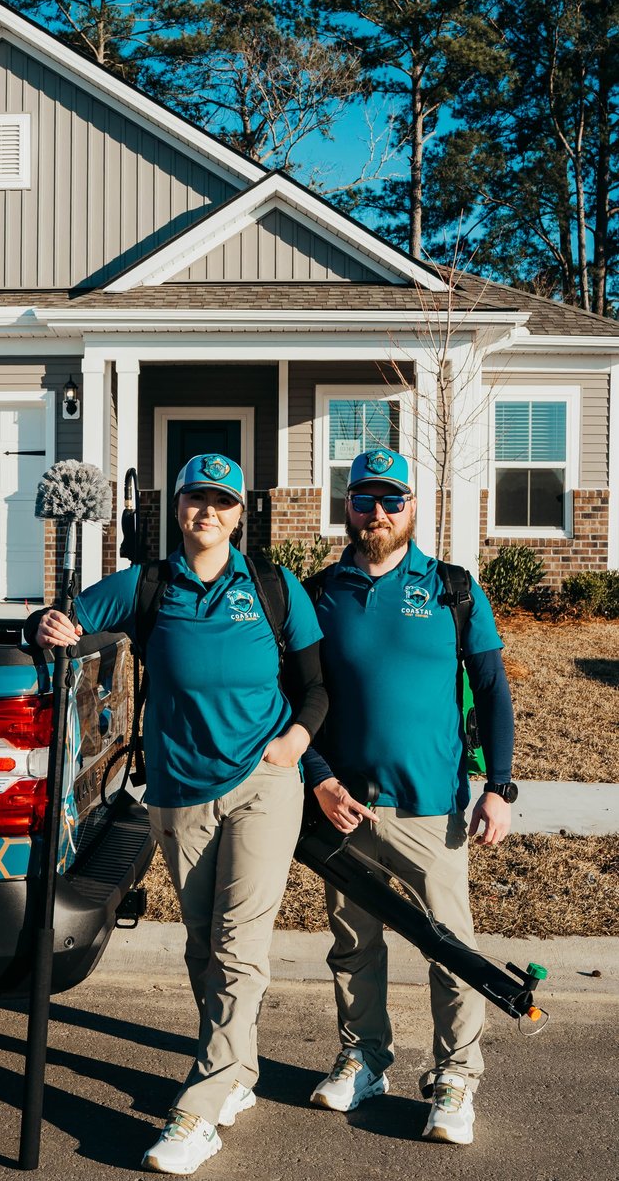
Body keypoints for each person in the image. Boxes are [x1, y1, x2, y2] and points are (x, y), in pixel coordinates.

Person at [32, 453, 327, 1175]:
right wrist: (44, 625)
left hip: (262, 783)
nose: (208, 512)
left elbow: (316, 687)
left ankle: (197, 1111)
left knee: (238, 945)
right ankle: (239, 1070)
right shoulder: (148, 584)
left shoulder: (272, 586)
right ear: (180, 509)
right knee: (202, 943)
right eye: (197, 498)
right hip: (178, 791)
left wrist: (294, 742)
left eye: (221, 502)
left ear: (238, 515)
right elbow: (60, 624)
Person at [303, 447, 516, 1146]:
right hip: (344, 805)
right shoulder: (317, 593)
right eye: (364, 498)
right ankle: (364, 1059)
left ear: (413, 508)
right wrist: (318, 780)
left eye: (392, 499)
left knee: (451, 948)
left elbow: (492, 690)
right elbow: (293, 696)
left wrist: (499, 786)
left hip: (430, 807)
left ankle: (456, 1076)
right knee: (353, 943)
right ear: (348, 507)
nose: (378, 512)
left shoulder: (453, 588)